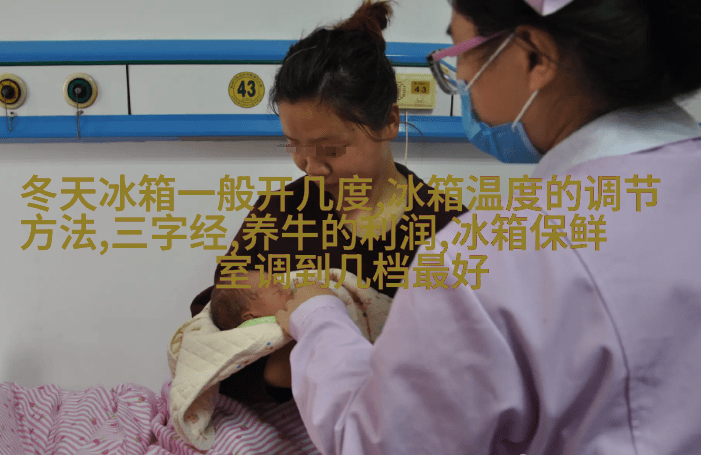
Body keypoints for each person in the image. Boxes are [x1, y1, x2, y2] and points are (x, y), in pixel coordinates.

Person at [274, 0, 701, 454]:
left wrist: (317, 319)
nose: (460, 77)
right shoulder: (282, 211)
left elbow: (379, 442)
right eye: (294, 146)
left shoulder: (475, 256)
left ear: (534, 56)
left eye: (460, 51)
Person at [190, 0, 467, 405]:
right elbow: (211, 334)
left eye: (331, 150)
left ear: (390, 121)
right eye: (294, 146)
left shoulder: (448, 231)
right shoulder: (278, 215)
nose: (311, 167)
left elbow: (467, 366)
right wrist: (281, 371)